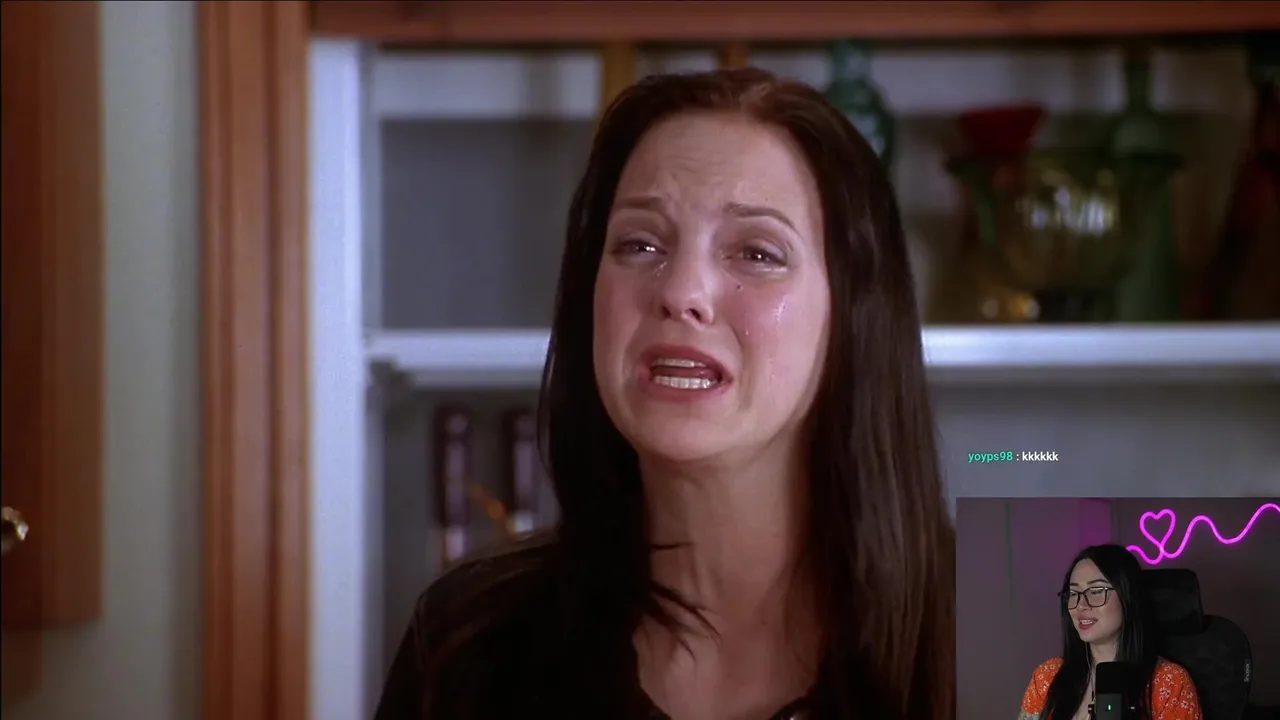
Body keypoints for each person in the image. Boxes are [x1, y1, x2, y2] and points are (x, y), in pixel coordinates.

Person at [374, 67, 955, 720]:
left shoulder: (1011, 630)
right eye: (640, 243)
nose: (681, 292)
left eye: (757, 253)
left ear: (855, 314)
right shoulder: (468, 646)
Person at [1018, 544, 1202, 720]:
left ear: (1127, 596)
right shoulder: (1047, 676)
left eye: (1096, 591)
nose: (1081, 605)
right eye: (1074, 593)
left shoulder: (1170, 682)